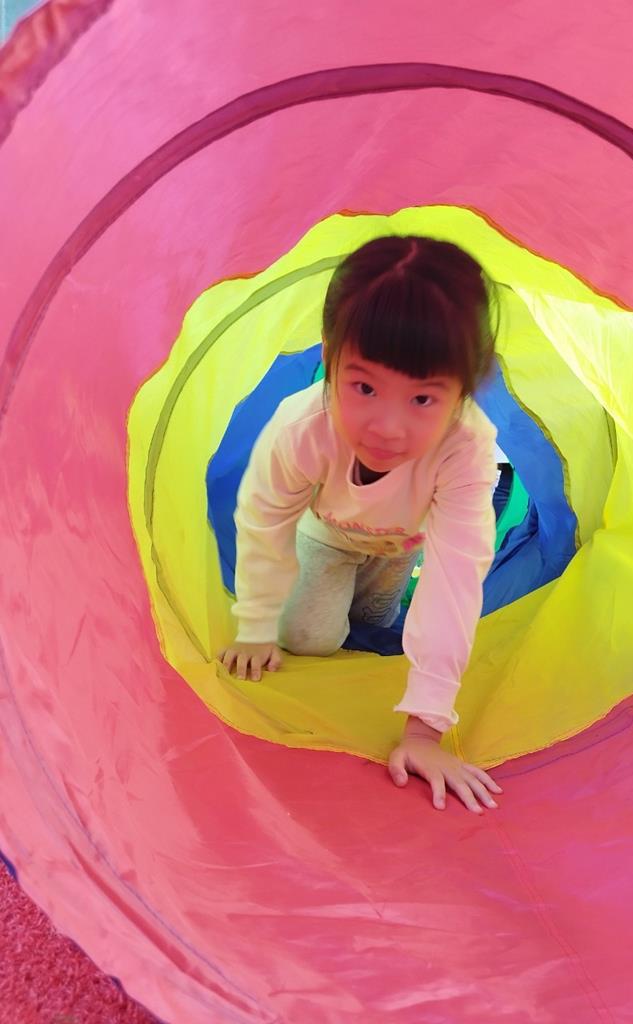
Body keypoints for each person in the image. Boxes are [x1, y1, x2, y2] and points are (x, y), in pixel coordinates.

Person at [218, 235, 504, 815]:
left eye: (423, 399)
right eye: (365, 387)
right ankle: (316, 606)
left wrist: (425, 731)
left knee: (378, 624)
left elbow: (454, 580)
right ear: (330, 361)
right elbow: (266, 517)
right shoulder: (302, 427)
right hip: (326, 536)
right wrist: (255, 625)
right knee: (309, 640)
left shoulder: (467, 448)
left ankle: (369, 610)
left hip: (402, 549)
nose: (387, 427)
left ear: (463, 389)